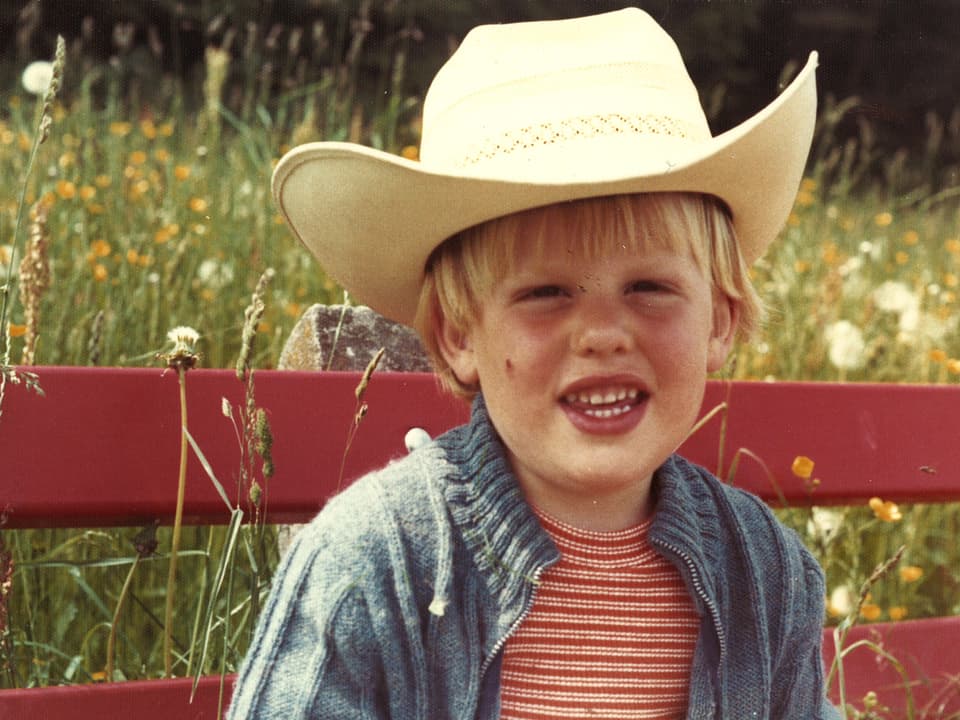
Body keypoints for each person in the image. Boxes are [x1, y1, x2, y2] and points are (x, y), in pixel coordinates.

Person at [228, 8, 839, 719]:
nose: (604, 335)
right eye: (545, 294)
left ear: (721, 320)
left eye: (649, 288)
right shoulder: (374, 562)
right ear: (460, 334)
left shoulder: (766, 574)